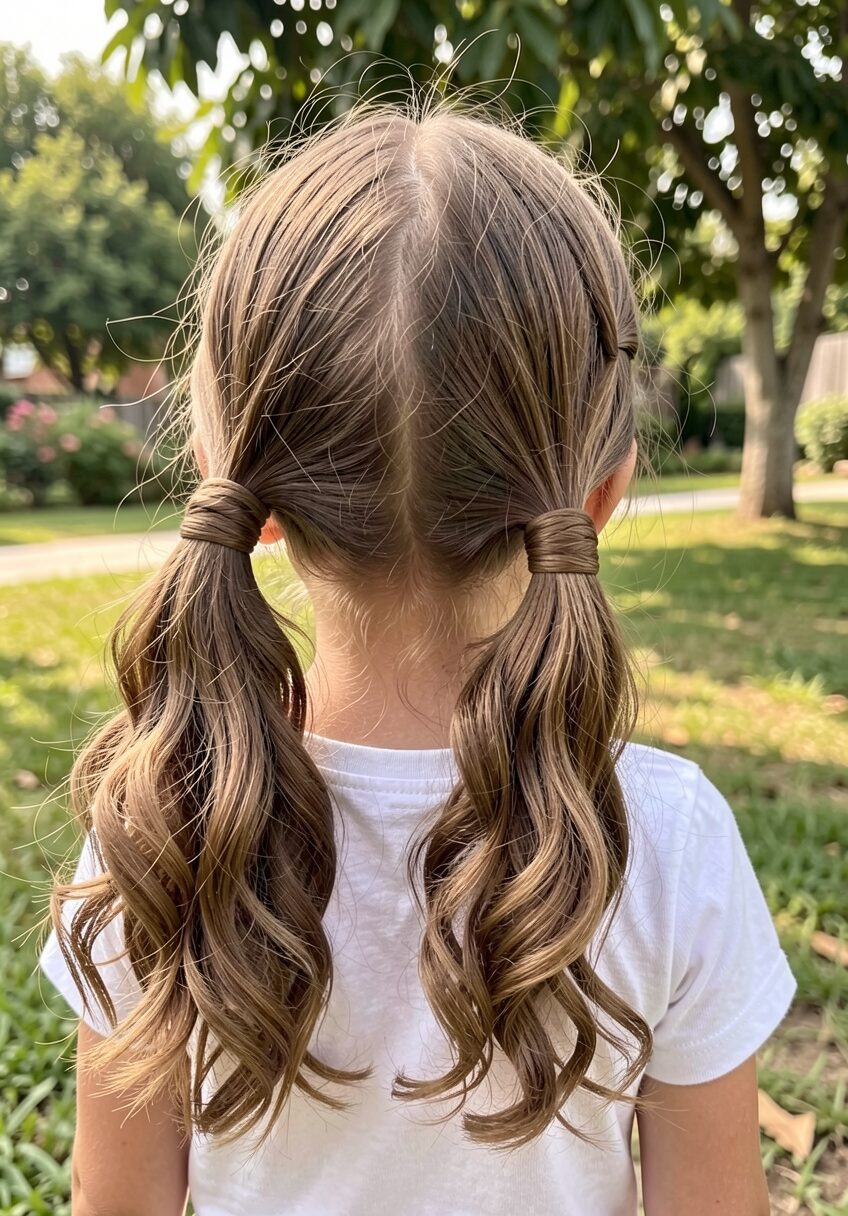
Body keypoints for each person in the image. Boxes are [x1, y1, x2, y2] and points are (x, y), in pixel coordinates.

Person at [38, 98, 795, 1216]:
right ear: (601, 493)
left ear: (235, 487)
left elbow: (116, 1205)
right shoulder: (668, 840)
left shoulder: (155, 818)